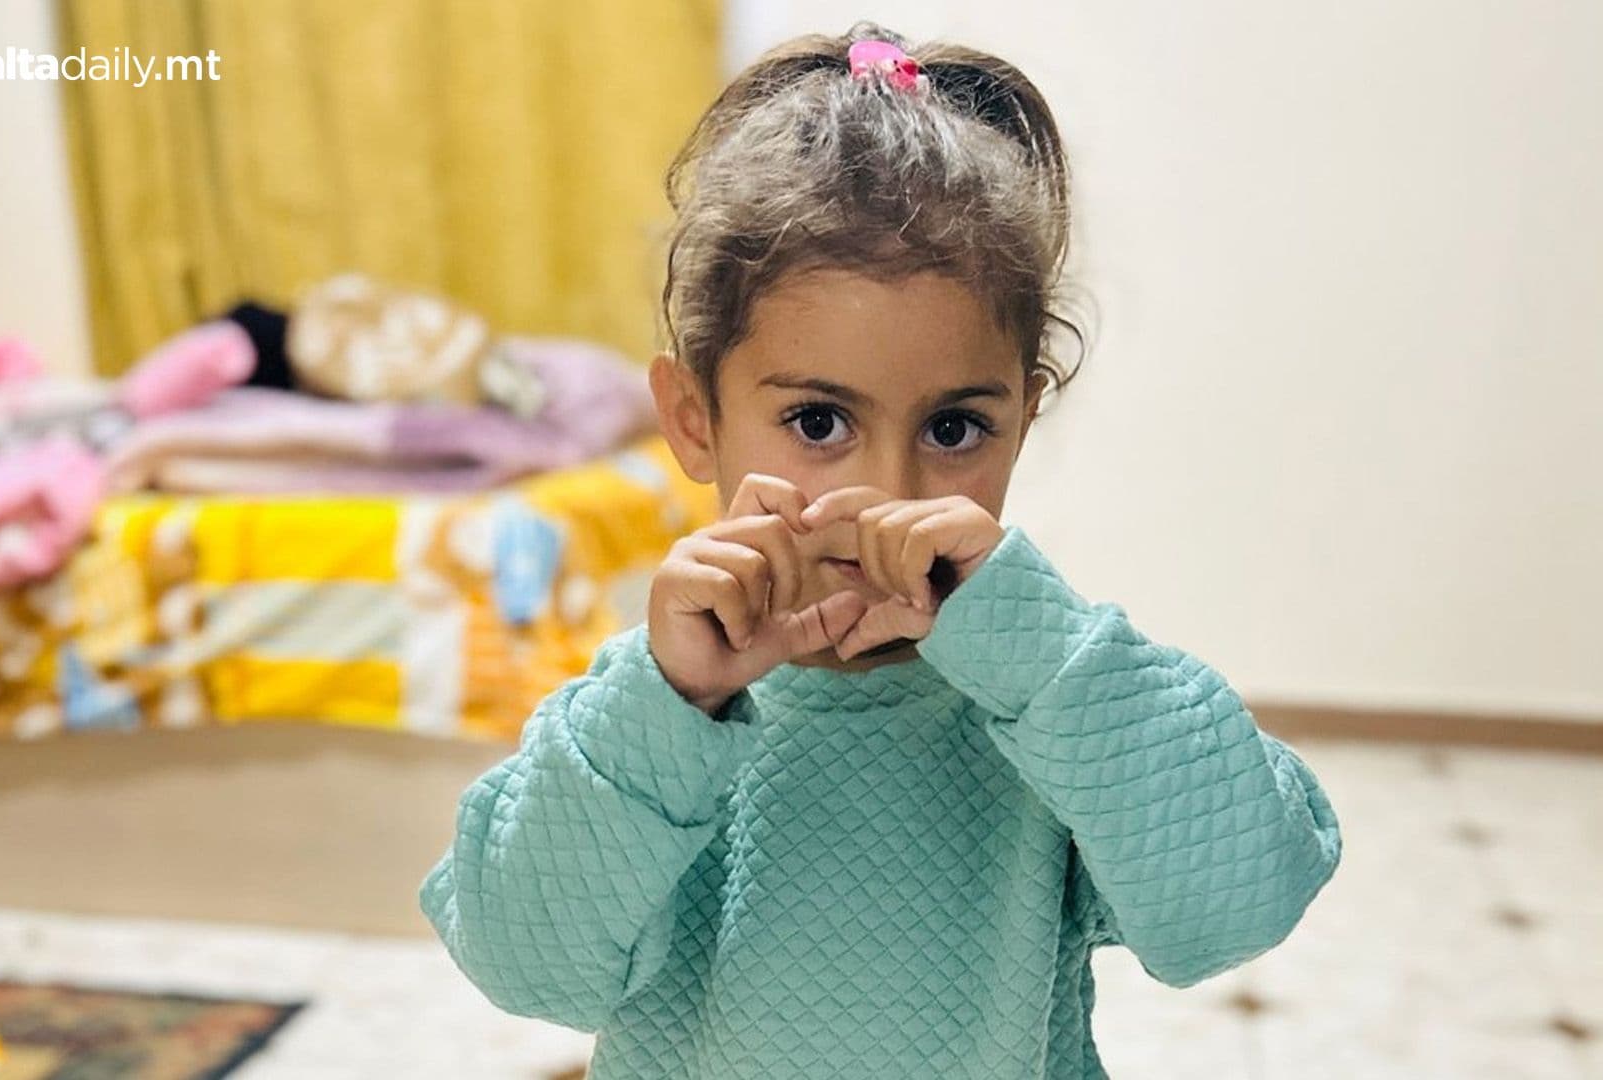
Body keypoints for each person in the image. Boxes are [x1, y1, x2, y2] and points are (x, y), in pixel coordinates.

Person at [420, 22, 1342, 1079]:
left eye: (954, 429)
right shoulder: (651, 713)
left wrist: (1040, 655)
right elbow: (526, 968)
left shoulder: (1050, 701)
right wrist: (667, 706)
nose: (886, 498)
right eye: (818, 423)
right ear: (693, 419)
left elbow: (1238, 905)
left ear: (1023, 416)